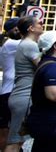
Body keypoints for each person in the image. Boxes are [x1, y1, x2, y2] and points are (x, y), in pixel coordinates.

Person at [5, 16, 43, 152]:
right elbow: (42, 68)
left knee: (19, 140)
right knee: (14, 141)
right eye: (39, 23)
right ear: (31, 28)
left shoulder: (26, 44)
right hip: (24, 97)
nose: (42, 24)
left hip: (22, 95)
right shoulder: (29, 45)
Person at [0, 18, 21, 150]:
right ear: (15, 29)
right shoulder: (12, 43)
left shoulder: (7, 43)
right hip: (11, 91)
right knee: (6, 131)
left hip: (8, 91)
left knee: (6, 129)